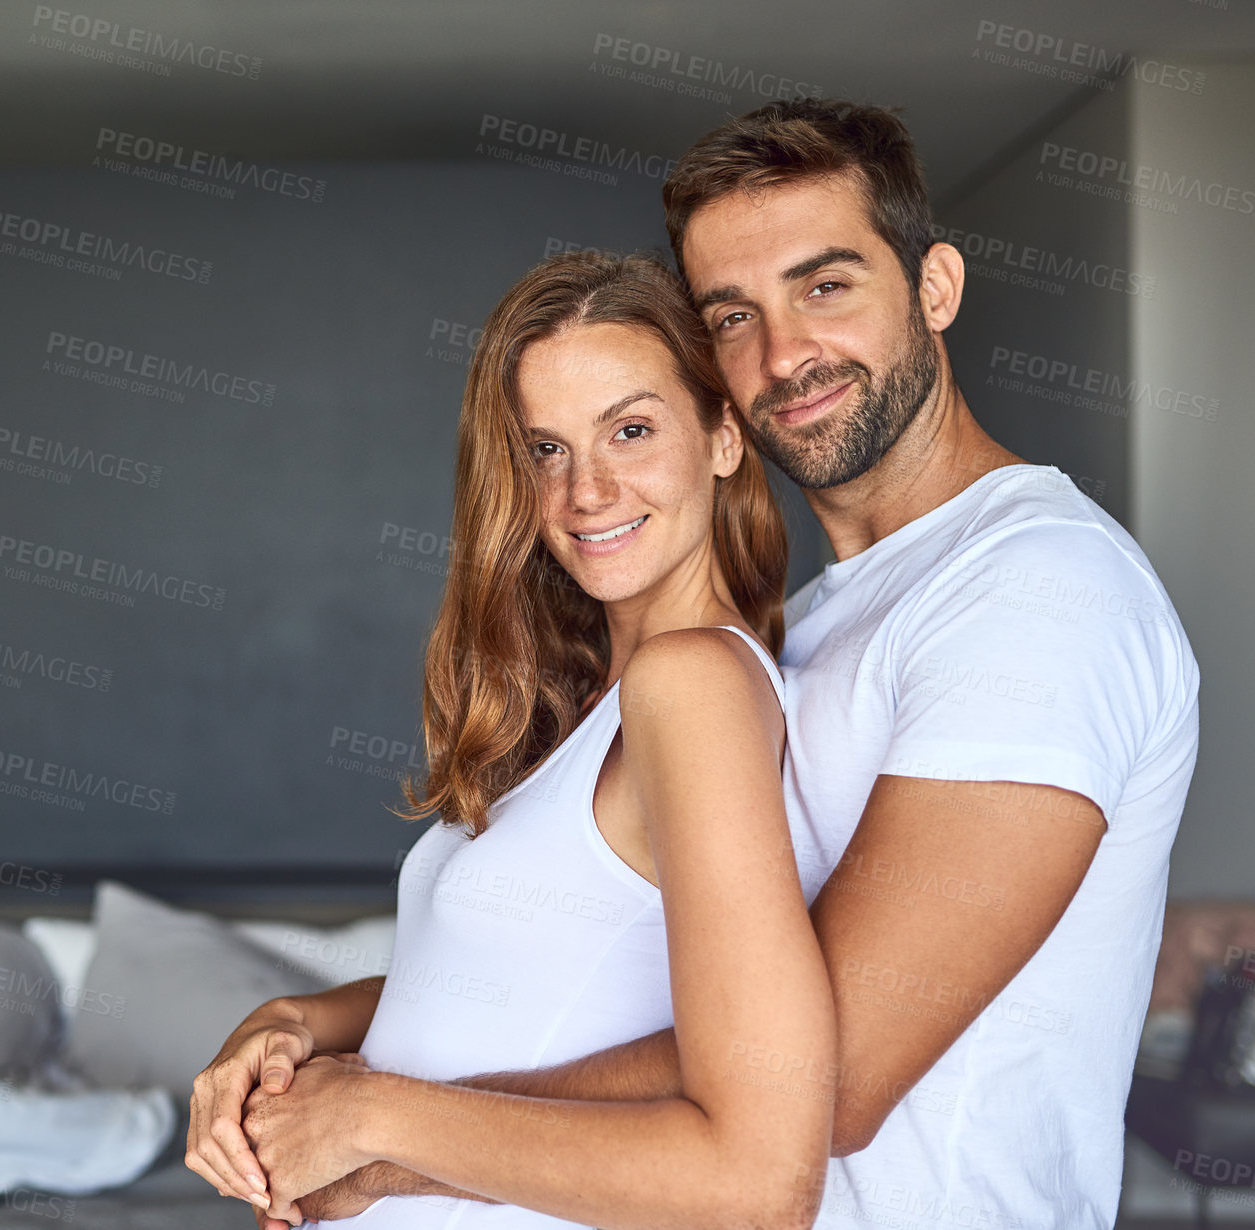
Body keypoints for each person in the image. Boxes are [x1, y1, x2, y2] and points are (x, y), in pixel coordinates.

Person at [205, 97, 1202, 1229]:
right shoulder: (816, 625)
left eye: (825, 286)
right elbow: (624, 975)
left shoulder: (1038, 590)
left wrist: (386, 1130)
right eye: (733, 314)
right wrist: (317, 1024)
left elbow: (826, 1081)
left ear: (934, 288)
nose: (781, 354)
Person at [187, 250, 839, 1228]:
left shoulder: (692, 686)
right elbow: (520, 982)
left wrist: (371, 1116)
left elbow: (757, 1184)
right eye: (546, 449)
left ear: (722, 434)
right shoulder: (594, 704)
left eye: (630, 429)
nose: (586, 491)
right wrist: (299, 1020)